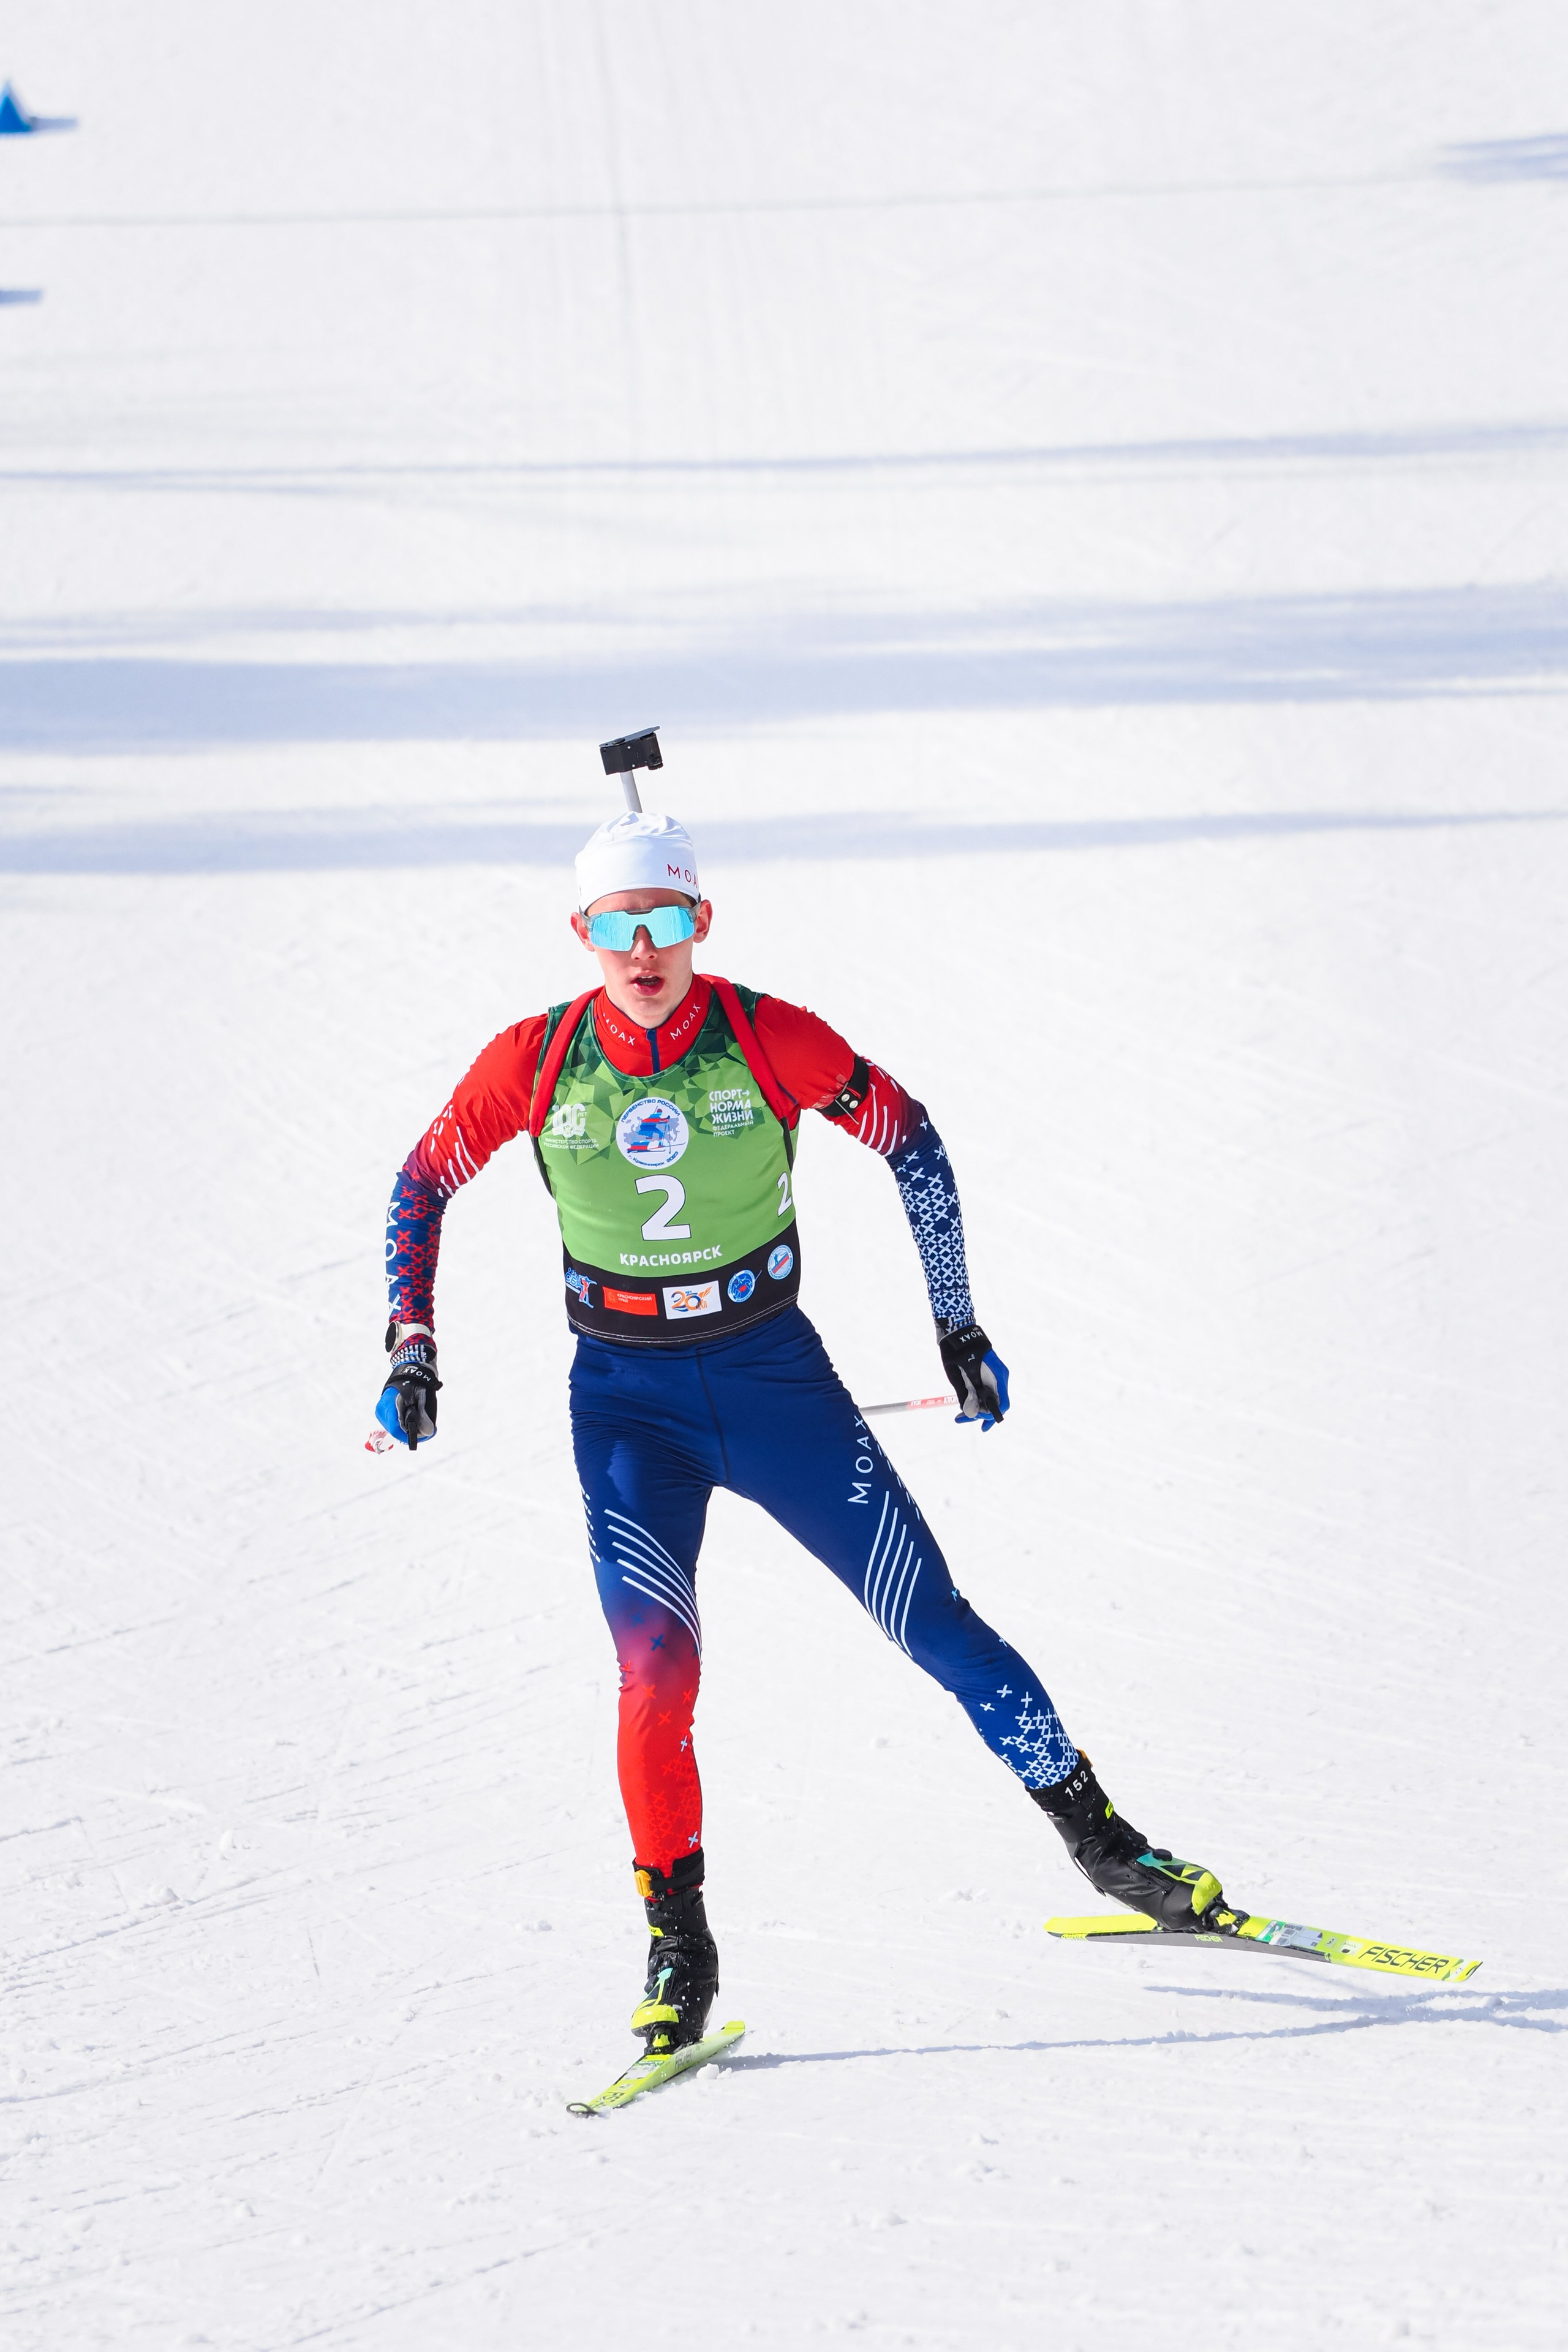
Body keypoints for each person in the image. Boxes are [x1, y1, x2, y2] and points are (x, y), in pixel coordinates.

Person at [372, 805, 1230, 2055]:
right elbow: (423, 1181)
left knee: (934, 1621)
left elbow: (912, 1144)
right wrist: (411, 1343)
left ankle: (1106, 1848)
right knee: (655, 1673)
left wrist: (958, 1329)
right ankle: (680, 1945)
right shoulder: (537, 1058)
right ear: (583, 935)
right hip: (626, 1408)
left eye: (665, 921)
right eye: (618, 928)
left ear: (700, 922)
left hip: (774, 1380)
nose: (643, 949)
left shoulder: (763, 1035)